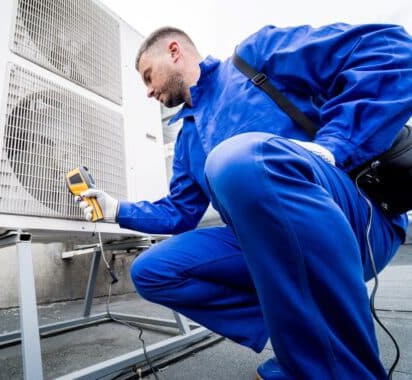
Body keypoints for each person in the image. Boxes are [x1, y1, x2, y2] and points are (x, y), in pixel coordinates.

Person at [79, 23, 412, 379]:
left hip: (351, 216)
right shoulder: (187, 138)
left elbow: (389, 48)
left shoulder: (254, 57)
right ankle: (302, 344)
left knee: (238, 159)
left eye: (148, 76)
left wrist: (334, 145)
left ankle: (346, 368)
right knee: (153, 271)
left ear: (174, 51)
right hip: (267, 247)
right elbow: (179, 212)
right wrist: (117, 209)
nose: (148, 92)